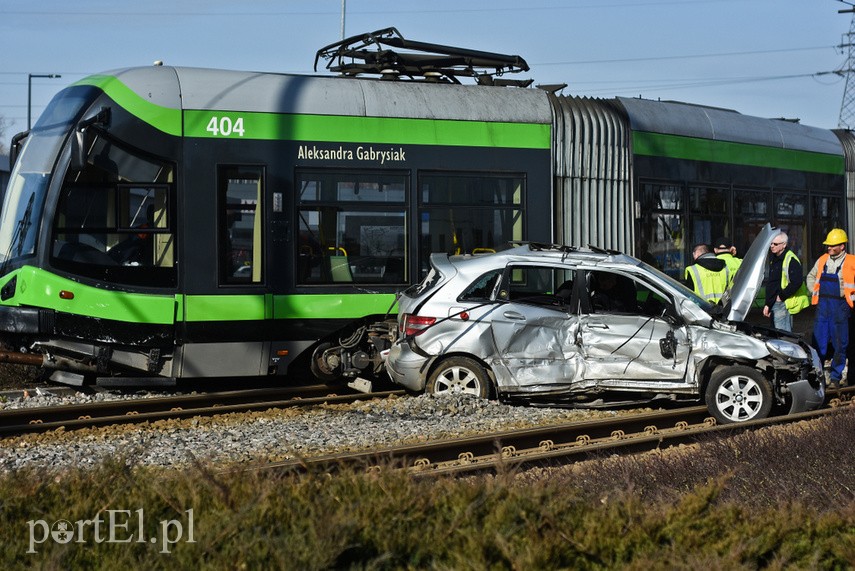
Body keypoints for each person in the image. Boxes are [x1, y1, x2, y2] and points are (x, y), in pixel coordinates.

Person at [806, 228, 855, 388]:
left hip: (841, 308)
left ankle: (835, 378)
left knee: (840, 344)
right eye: (828, 245)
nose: (829, 248)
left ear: (842, 246)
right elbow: (811, 276)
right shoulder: (822, 260)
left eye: (832, 245)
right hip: (823, 308)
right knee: (819, 343)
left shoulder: (852, 262)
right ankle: (818, 377)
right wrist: (815, 290)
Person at [762, 232, 809, 332]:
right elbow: (773, 283)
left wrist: (781, 297)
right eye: (771, 243)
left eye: (775, 244)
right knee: (777, 334)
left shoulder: (790, 259)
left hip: (782, 303)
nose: (772, 246)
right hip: (775, 302)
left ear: (784, 245)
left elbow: (796, 282)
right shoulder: (775, 258)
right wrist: (768, 304)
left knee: (783, 337)